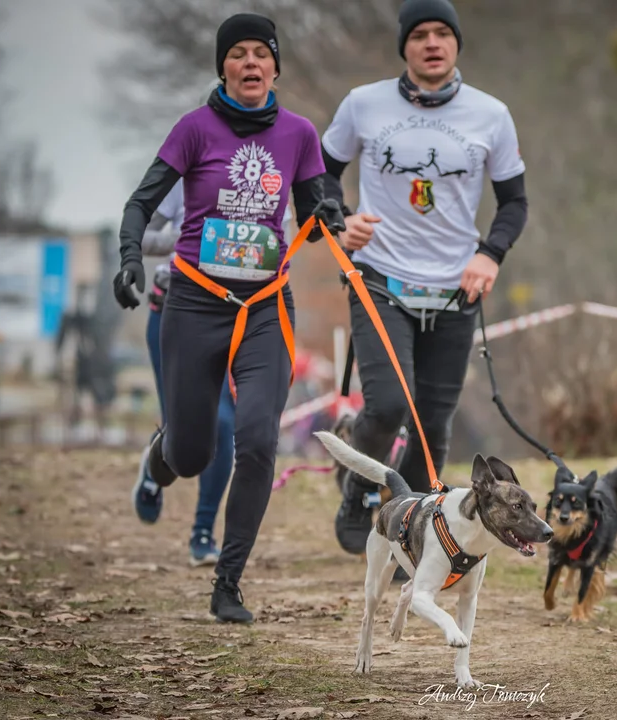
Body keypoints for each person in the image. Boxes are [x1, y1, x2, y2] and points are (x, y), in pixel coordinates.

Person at [112, 12, 345, 623]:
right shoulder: (194, 128)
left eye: (260, 54)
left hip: (266, 306)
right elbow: (140, 203)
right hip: (194, 303)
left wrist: (329, 215)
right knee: (192, 454)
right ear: (223, 66)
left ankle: (228, 583)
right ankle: (158, 457)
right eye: (237, 54)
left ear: (274, 66)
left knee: (259, 442)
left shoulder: (298, 134)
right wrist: (130, 258)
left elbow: (317, 208)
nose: (249, 64)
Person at [320, 0, 529, 555]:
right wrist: (340, 223)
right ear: (404, 46)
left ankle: (404, 516)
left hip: (456, 289)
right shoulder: (364, 104)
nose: (432, 43)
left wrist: (490, 254)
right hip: (381, 278)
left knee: (433, 425)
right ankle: (358, 493)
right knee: (390, 405)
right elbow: (317, 175)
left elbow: (514, 203)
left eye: (443, 34)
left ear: (456, 44)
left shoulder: (491, 114)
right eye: (420, 35)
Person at [131, 177, 291, 566]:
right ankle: (157, 462)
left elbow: (282, 247)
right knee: (187, 432)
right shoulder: (186, 170)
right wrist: (194, 238)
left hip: (243, 317)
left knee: (223, 425)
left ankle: (202, 531)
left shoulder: (274, 174)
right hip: (178, 310)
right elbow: (140, 234)